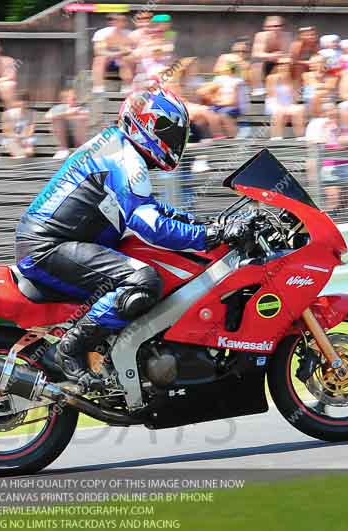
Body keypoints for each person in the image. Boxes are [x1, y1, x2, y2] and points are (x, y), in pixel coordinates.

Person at [14, 87, 246, 385]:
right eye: (170, 131)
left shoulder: (117, 147)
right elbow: (151, 225)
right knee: (143, 280)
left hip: (54, 242)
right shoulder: (124, 157)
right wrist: (208, 235)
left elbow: (150, 208)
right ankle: (71, 348)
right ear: (147, 124)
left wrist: (205, 223)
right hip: (49, 246)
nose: (177, 141)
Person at [91, 13, 133, 94]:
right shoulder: (102, 33)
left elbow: (130, 51)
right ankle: (98, 87)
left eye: (123, 20)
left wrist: (121, 52)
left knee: (126, 59)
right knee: (99, 59)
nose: (119, 23)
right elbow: (98, 51)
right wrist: (117, 53)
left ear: (126, 22)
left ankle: (126, 86)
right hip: (108, 61)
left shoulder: (129, 34)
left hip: (123, 62)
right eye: (116, 20)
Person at [265, 58, 305, 140]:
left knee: (299, 109)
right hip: (274, 103)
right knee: (279, 111)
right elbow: (272, 95)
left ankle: (300, 137)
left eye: (286, 64)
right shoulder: (271, 78)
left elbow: (294, 99)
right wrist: (278, 80)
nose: (284, 66)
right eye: (281, 64)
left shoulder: (293, 79)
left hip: (287, 104)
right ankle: (276, 137)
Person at [251, 16, 290, 96]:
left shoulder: (286, 36)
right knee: (256, 63)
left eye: (277, 26)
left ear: (283, 27)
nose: (274, 29)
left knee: (288, 64)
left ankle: (286, 88)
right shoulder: (261, 36)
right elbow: (256, 54)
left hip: (279, 64)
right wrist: (271, 56)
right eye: (270, 26)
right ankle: (259, 88)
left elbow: (288, 55)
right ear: (265, 28)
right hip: (265, 64)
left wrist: (279, 58)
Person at [46, 88, 89, 159]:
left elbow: (85, 117)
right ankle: (63, 150)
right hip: (63, 137)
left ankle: (80, 149)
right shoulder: (59, 108)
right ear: (67, 99)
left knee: (80, 120)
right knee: (56, 120)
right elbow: (48, 116)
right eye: (73, 98)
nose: (76, 100)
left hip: (78, 137)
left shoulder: (81, 108)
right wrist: (67, 114)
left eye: (76, 98)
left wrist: (70, 116)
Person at [1, 92, 36, 159]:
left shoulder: (31, 113)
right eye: (21, 100)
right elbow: (6, 130)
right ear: (16, 102)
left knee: (29, 150)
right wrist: (16, 137)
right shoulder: (7, 114)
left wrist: (24, 137)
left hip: (25, 138)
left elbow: (31, 129)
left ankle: (21, 154)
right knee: (12, 143)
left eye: (25, 100)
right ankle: (19, 154)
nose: (23, 103)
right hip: (11, 138)